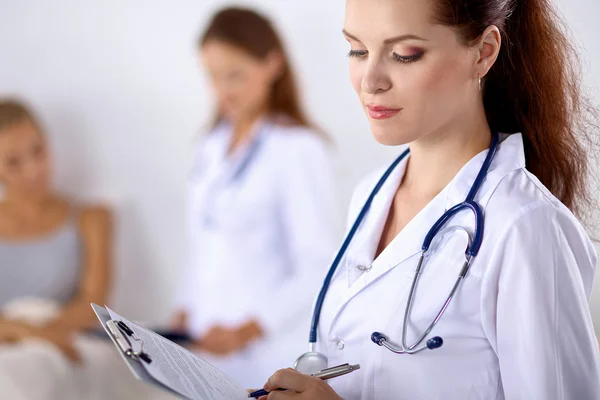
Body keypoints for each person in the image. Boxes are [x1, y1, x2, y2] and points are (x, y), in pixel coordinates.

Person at [259, 0, 600, 399]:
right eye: (358, 50)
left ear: (484, 52)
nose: (370, 81)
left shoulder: (527, 227)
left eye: (405, 54)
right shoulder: (371, 194)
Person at [169, 7, 336, 388]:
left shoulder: (298, 148)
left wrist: (248, 329)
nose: (222, 89)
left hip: (266, 354)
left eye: (235, 75)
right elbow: (202, 245)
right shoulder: (211, 146)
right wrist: (183, 311)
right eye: (211, 76)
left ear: (272, 64)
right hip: (203, 348)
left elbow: (318, 264)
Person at [0, 99, 162, 400]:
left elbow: (93, 301)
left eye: (38, 151)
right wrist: (23, 332)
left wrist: (42, 335)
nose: (34, 169)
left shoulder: (91, 217)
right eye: (14, 162)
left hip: (67, 345)